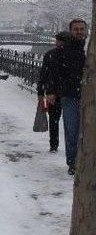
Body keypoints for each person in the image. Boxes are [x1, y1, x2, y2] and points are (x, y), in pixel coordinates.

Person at [47, 19, 88, 175]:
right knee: (72, 130)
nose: (79, 31)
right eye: (76, 29)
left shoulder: (89, 48)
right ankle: (73, 163)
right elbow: (53, 71)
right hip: (70, 96)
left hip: (88, 95)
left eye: (81, 29)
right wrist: (51, 91)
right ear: (71, 31)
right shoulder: (62, 50)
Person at [37, 31, 72, 153]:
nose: (56, 42)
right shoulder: (71, 55)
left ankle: (54, 144)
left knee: (54, 120)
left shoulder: (51, 55)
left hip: (54, 94)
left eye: (58, 40)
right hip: (65, 93)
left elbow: (44, 75)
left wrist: (41, 92)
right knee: (67, 122)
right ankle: (62, 145)